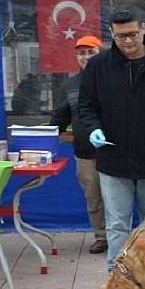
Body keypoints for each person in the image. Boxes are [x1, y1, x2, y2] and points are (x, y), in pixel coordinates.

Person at [77, 7, 145, 272]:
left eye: (132, 34)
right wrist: (93, 128)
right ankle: (118, 278)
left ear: (143, 29)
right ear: (112, 34)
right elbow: (86, 106)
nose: (127, 41)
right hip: (113, 160)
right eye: (120, 36)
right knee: (117, 225)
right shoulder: (98, 65)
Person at [49, 35, 107, 254]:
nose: (85, 57)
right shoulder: (70, 85)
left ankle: (120, 237)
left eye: (90, 52)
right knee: (93, 197)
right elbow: (60, 117)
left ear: (100, 53)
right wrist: (44, 137)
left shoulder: (114, 80)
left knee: (117, 198)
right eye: (81, 53)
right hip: (85, 154)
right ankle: (101, 237)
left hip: (115, 151)